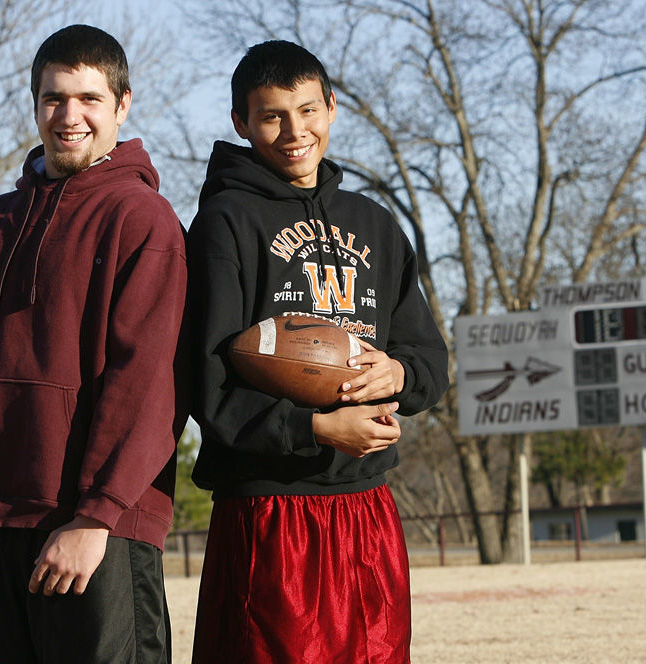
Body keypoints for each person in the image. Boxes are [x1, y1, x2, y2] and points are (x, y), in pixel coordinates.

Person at [0, 24, 187, 664]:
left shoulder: (142, 220)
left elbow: (148, 385)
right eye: (54, 98)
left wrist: (95, 518)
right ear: (35, 105)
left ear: (122, 104)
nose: (70, 116)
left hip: (95, 534)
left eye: (89, 98)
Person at [186, 40, 449, 663]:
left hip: (367, 507)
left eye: (308, 110)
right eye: (272, 115)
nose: (294, 131)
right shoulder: (224, 224)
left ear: (331, 108)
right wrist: (316, 427)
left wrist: (398, 370)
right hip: (273, 508)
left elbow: (430, 363)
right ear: (241, 124)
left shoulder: (376, 224)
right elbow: (206, 384)